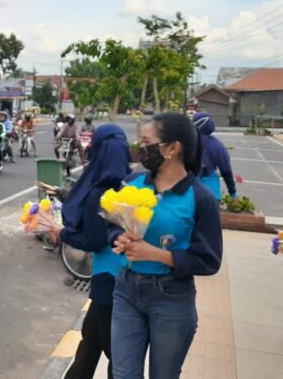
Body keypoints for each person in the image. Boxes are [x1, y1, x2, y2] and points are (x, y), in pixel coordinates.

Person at [110, 112, 222, 379]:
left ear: (172, 148)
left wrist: (158, 255)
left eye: (146, 141)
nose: (140, 148)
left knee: (164, 374)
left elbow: (209, 260)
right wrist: (120, 238)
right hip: (126, 290)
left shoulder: (200, 199)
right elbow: (114, 225)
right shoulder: (135, 184)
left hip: (171, 299)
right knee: (123, 374)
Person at [46, 125, 131, 379]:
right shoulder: (132, 185)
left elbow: (93, 240)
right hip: (128, 276)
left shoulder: (101, 191)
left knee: (116, 355)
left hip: (108, 280)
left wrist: (62, 232)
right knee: (90, 343)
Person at [192, 112, 236, 200]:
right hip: (210, 189)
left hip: (189, 187)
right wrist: (232, 192)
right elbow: (226, 170)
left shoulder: (186, 142)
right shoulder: (216, 145)